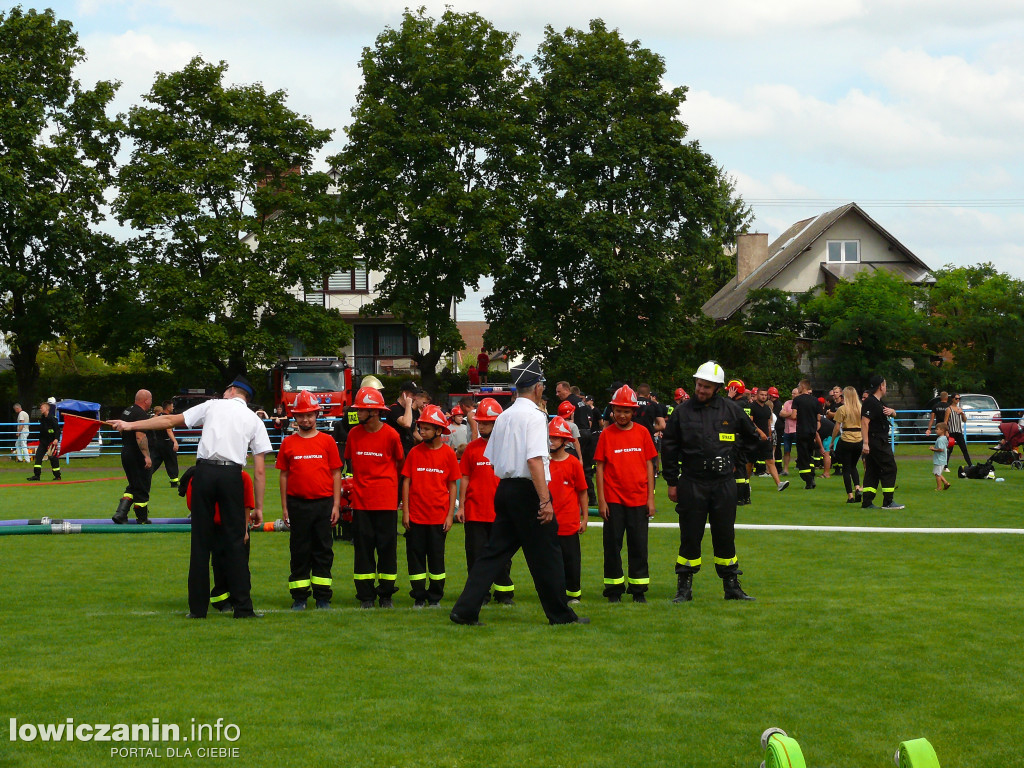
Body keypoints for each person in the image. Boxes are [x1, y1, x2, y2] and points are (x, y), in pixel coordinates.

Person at [109, 375, 272, 618]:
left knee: (200, 544)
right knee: (236, 543)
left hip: (204, 472)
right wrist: (258, 507)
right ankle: (243, 608)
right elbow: (259, 470)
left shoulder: (213, 405)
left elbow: (169, 420)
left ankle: (197, 610)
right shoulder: (254, 419)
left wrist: (130, 425)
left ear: (230, 391)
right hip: (232, 475)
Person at [451, 358, 586, 626]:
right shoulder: (536, 417)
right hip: (528, 491)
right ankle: (560, 615)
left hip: (505, 488)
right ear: (537, 388)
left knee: (493, 553)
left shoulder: (504, 416)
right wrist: (545, 500)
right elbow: (535, 460)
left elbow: (492, 456)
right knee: (548, 554)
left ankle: (465, 610)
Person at [661, 361, 760, 602]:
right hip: (692, 481)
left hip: (724, 482)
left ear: (717, 387)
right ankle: (684, 587)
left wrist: (737, 459)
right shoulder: (682, 412)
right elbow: (669, 447)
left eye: (706, 386)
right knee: (690, 535)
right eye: (699, 384)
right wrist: (672, 481)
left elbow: (753, 438)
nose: (701, 390)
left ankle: (731, 586)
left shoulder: (732, 410)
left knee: (725, 534)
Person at [277, 390, 342, 611]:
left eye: (310, 415)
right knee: (299, 551)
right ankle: (299, 597)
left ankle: (323, 597)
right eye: (301, 415)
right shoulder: (288, 443)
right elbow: (283, 475)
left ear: (317, 415)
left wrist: (335, 505)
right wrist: (285, 507)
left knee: (323, 550)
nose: (306, 419)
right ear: (295, 417)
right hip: (297, 504)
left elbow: (336, 473)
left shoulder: (327, 441)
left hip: (323, 504)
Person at [595, 384, 658, 603]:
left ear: (633, 412)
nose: (622, 415)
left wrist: (651, 498)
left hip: (639, 499)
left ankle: (638, 589)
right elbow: (600, 468)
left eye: (626, 411)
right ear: (612, 411)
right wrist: (601, 500)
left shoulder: (642, 433)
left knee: (639, 545)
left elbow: (650, 465)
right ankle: (613, 589)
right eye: (618, 410)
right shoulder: (606, 434)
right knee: (612, 545)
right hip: (613, 500)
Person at [344, 386, 404, 609]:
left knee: (387, 549)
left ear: (375, 412)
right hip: (361, 503)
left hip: (385, 503)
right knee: (363, 550)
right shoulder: (353, 434)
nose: (357, 413)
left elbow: (399, 464)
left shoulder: (391, 435)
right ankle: (366, 596)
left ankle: (386, 594)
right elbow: (350, 460)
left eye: (361, 410)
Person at [456, 397, 514, 605]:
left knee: (503, 556)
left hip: (501, 512)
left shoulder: (509, 446)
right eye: (480, 422)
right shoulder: (471, 449)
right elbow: (465, 477)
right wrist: (461, 506)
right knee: (475, 555)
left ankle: (504, 593)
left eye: (487, 422)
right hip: (475, 512)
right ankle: (480, 594)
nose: (482, 426)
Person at [401, 404, 460, 607]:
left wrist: (450, 515)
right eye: (420, 427)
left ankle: (435, 597)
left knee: (436, 559)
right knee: (415, 558)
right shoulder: (415, 453)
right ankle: (418, 596)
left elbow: (453, 486)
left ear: (438, 430)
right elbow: (406, 482)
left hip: (438, 517)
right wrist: (406, 512)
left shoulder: (448, 454)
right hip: (416, 517)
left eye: (426, 428)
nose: (421, 431)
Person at [180, 466, 255, 613]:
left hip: (234, 526)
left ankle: (238, 598)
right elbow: (192, 504)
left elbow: (247, 504)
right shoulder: (201, 478)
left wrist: (245, 529)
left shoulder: (243, 477)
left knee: (239, 564)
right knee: (220, 564)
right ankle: (222, 599)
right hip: (216, 527)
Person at [548, 416, 589, 604]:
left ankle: (573, 594)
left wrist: (585, 518)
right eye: (549, 437)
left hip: (569, 523)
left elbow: (582, 492)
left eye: (555, 437)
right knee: (550, 562)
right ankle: (554, 594)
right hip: (548, 523)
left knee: (571, 561)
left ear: (565, 441)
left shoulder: (573, 463)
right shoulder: (542, 463)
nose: (551, 441)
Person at [860, 375, 904, 510]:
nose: (885, 387)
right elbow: (864, 422)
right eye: (885, 385)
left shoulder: (879, 402)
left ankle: (867, 502)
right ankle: (888, 501)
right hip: (876, 440)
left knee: (872, 470)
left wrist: (893, 412)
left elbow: (891, 413)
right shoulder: (870, 402)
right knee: (890, 467)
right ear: (880, 386)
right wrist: (866, 443)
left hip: (879, 439)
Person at [112, 390, 154, 523]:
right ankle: (142, 518)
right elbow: (140, 436)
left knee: (133, 485)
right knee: (142, 485)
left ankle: (121, 513)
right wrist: (146, 456)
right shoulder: (141, 414)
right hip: (137, 455)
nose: (151, 402)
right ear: (146, 400)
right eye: (151, 399)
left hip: (126, 451)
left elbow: (120, 430)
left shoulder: (127, 411)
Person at [749, 387, 789, 492]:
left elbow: (768, 423)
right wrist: (760, 432)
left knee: (770, 460)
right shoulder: (752, 407)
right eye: (761, 394)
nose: (763, 397)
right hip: (754, 438)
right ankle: (746, 483)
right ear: (757, 395)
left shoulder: (767, 408)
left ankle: (779, 483)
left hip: (765, 439)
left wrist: (769, 436)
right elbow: (750, 422)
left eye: (765, 395)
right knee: (750, 462)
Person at [831, 386, 864, 503]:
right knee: (853, 466)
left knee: (846, 468)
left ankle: (850, 495)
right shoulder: (861, 409)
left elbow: (836, 428)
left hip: (846, 439)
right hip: (859, 439)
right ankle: (857, 488)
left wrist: (832, 442)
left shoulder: (842, 409)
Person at [791, 380, 821, 490]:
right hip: (812, 432)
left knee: (802, 457)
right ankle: (812, 475)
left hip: (802, 431)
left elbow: (794, 416)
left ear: (803, 387)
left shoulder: (797, 400)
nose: (797, 387)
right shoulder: (815, 400)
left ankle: (808, 481)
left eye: (798, 386)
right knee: (810, 454)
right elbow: (818, 418)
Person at [27, 400, 61, 482]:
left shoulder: (52, 419)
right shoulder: (42, 419)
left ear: (46, 409)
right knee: (38, 457)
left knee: (53, 459)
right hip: (43, 442)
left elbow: (57, 430)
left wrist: (56, 439)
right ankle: (36, 475)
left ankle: (57, 476)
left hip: (51, 443)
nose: (40, 410)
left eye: (41, 408)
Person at [148, 399, 180, 488]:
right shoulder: (167, 417)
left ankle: (145, 477)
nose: (173, 407)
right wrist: (175, 442)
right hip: (166, 443)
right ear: (168, 407)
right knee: (171, 461)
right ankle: (174, 482)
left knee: (154, 462)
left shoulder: (157, 416)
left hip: (157, 443)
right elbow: (169, 430)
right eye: (172, 406)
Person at [943, 394, 973, 469]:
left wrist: (962, 413)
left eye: (959, 398)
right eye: (956, 398)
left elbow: (965, 420)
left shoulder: (960, 409)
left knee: (964, 449)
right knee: (949, 450)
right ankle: (945, 466)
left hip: (959, 432)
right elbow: (945, 421)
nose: (958, 400)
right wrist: (946, 432)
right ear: (952, 399)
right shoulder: (949, 409)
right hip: (951, 432)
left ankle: (970, 464)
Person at [779, 388, 798, 476]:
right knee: (786, 450)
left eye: (795, 393)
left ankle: (802, 467)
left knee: (800, 450)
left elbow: (797, 417)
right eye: (792, 393)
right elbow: (781, 413)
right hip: (787, 430)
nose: (793, 395)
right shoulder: (787, 403)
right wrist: (791, 414)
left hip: (797, 430)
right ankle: (785, 469)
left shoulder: (800, 404)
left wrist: (787, 414)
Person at [931, 423, 952, 491]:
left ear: (942, 430)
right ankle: (946, 483)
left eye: (937, 429)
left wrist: (933, 449)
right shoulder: (944, 438)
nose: (936, 431)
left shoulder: (940, 440)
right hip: (940, 459)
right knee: (937, 472)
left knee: (937, 474)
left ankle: (939, 487)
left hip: (940, 459)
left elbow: (941, 449)